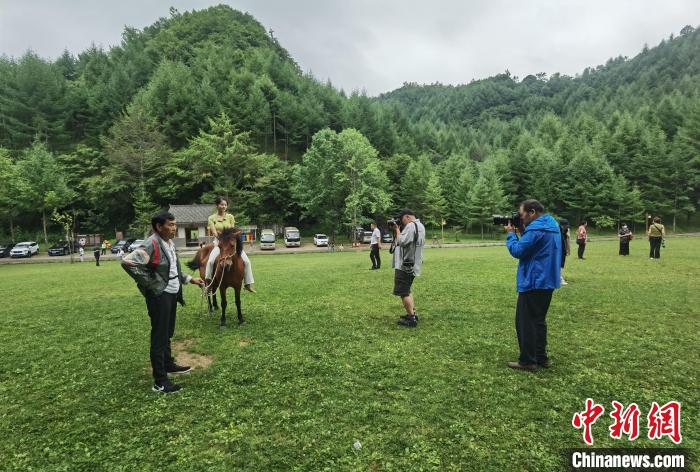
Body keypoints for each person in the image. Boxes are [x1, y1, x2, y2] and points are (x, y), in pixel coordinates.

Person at [122, 212, 204, 393]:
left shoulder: (169, 242)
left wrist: (191, 279)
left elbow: (172, 269)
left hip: (172, 292)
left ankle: (168, 364)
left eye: (175, 225)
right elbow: (128, 262)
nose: (174, 228)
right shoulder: (151, 243)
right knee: (159, 336)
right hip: (160, 295)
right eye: (171, 225)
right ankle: (160, 381)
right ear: (159, 227)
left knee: (167, 331)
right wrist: (152, 284)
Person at [504, 200, 561, 372]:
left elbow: (518, 251)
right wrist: (522, 230)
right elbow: (536, 248)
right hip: (548, 280)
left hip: (533, 281)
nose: (520, 217)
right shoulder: (553, 226)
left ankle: (528, 361)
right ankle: (541, 357)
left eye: (522, 215)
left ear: (532, 212)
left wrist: (511, 234)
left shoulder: (535, 230)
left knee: (525, 322)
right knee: (539, 320)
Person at [205, 196, 256, 293]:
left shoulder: (230, 217)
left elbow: (232, 231)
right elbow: (214, 232)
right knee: (211, 261)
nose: (223, 206)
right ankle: (209, 284)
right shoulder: (211, 218)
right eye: (221, 204)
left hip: (231, 243)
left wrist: (231, 237)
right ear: (217, 205)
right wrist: (221, 237)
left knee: (247, 261)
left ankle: (248, 284)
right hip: (219, 243)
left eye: (225, 205)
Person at [391, 209, 426, 327]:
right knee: (407, 289)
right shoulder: (420, 226)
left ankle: (411, 319)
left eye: (401, 220)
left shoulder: (411, 226)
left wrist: (396, 229)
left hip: (405, 265)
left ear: (407, 217)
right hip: (414, 263)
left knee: (403, 292)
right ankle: (413, 313)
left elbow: (402, 241)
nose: (401, 222)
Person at [559, 219, 570, 285]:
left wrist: (567, 250)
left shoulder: (564, 232)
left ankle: (559, 278)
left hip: (562, 251)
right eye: (566, 225)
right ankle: (560, 279)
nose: (568, 227)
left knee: (560, 265)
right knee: (559, 265)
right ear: (562, 225)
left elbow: (566, 242)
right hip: (558, 251)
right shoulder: (557, 232)